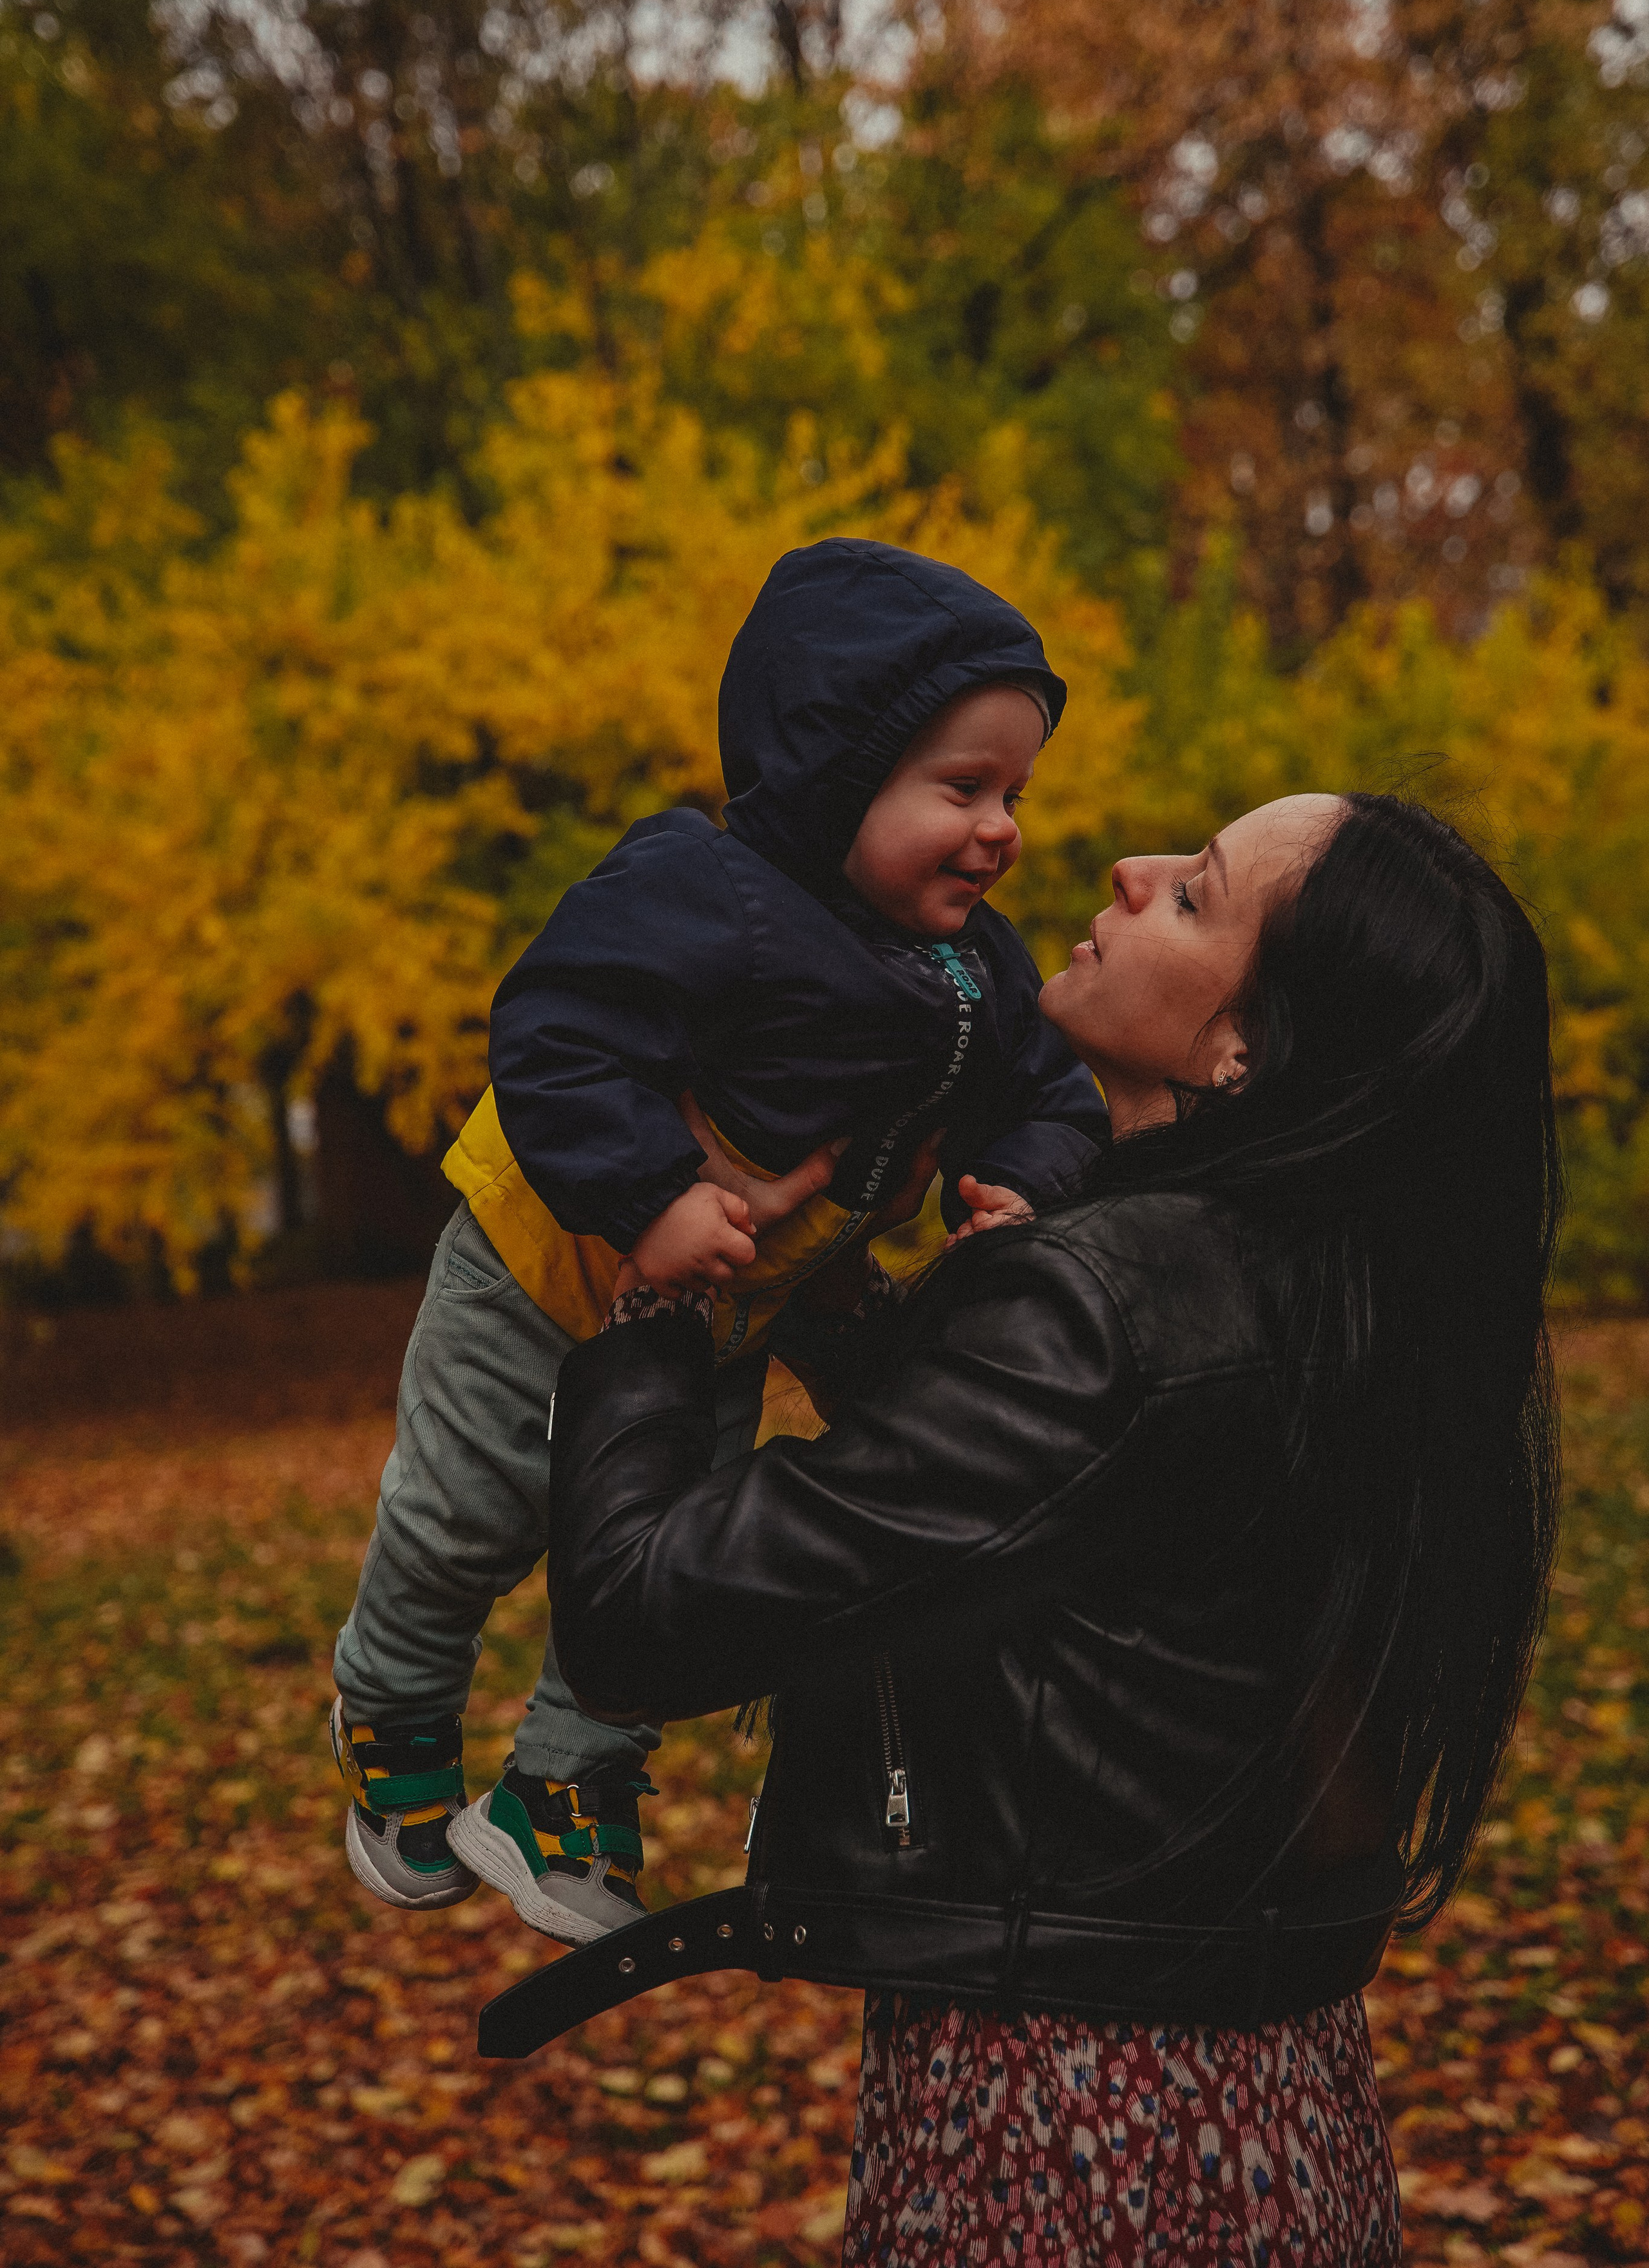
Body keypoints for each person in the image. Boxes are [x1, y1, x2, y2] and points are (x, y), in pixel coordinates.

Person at [536, 791, 1561, 2265]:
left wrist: (648, 1302)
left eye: (1193, 898)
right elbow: (1064, 1512)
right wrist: (865, 1302)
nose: (1128, 871)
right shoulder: (1352, 1292)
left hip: (1069, 2134)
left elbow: (644, 1613)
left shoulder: (1108, 1305)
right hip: (1276, 2107)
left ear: (1241, 1049)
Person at [329, 538, 1109, 1943]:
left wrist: (1014, 1176)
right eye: (961, 790)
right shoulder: (705, 890)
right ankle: (390, 1702)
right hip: (541, 1263)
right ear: (833, 779)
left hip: (722, 1313)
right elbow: (557, 1031)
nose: (1000, 829)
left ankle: (566, 1792)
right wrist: (647, 1195)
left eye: (1015, 795)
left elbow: (1046, 1089)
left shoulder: (974, 967)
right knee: (468, 1520)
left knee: (655, 1556)